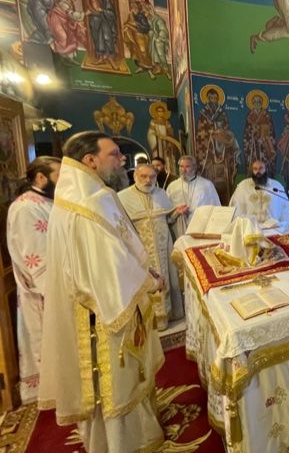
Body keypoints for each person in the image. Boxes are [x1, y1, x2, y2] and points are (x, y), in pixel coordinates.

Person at [38, 131, 165, 453]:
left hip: (104, 301)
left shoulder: (86, 195)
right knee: (114, 382)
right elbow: (108, 267)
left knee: (123, 377)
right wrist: (148, 281)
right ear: (90, 160)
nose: (122, 160)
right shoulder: (88, 204)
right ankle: (122, 444)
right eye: (114, 154)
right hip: (104, 309)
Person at [6, 156, 61, 403]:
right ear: (41, 177)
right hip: (44, 291)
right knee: (49, 344)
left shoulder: (50, 201)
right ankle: (56, 393)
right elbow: (35, 256)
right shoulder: (25, 207)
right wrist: (56, 289)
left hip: (60, 284)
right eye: (59, 175)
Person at [119, 164, 187, 330]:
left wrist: (176, 213)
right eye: (143, 176)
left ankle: (167, 315)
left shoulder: (161, 194)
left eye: (152, 177)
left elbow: (168, 219)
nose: (148, 180)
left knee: (167, 277)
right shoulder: (123, 197)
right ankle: (149, 320)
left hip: (163, 245)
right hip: (140, 250)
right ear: (135, 176)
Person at [195, 87, 240, 205]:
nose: (213, 100)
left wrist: (222, 133)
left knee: (224, 177)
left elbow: (226, 128)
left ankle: (226, 201)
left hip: (222, 150)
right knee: (211, 176)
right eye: (211, 98)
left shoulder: (222, 112)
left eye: (215, 98)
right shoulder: (204, 113)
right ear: (207, 99)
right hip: (209, 150)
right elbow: (200, 132)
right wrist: (210, 133)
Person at [229, 159, 289, 232]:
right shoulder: (243, 186)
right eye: (255, 169)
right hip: (250, 229)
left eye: (261, 168)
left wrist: (283, 226)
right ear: (252, 171)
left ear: (266, 169)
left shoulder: (276, 186)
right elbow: (236, 208)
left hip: (272, 228)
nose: (258, 172)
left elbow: (285, 209)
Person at [166, 155, 221, 237]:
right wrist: (176, 213)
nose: (183, 170)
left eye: (187, 166)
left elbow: (216, 207)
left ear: (194, 168)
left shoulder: (206, 185)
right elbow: (167, 211)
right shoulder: (172, 186)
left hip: (201, 227)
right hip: (179, 227)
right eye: (181, 166)